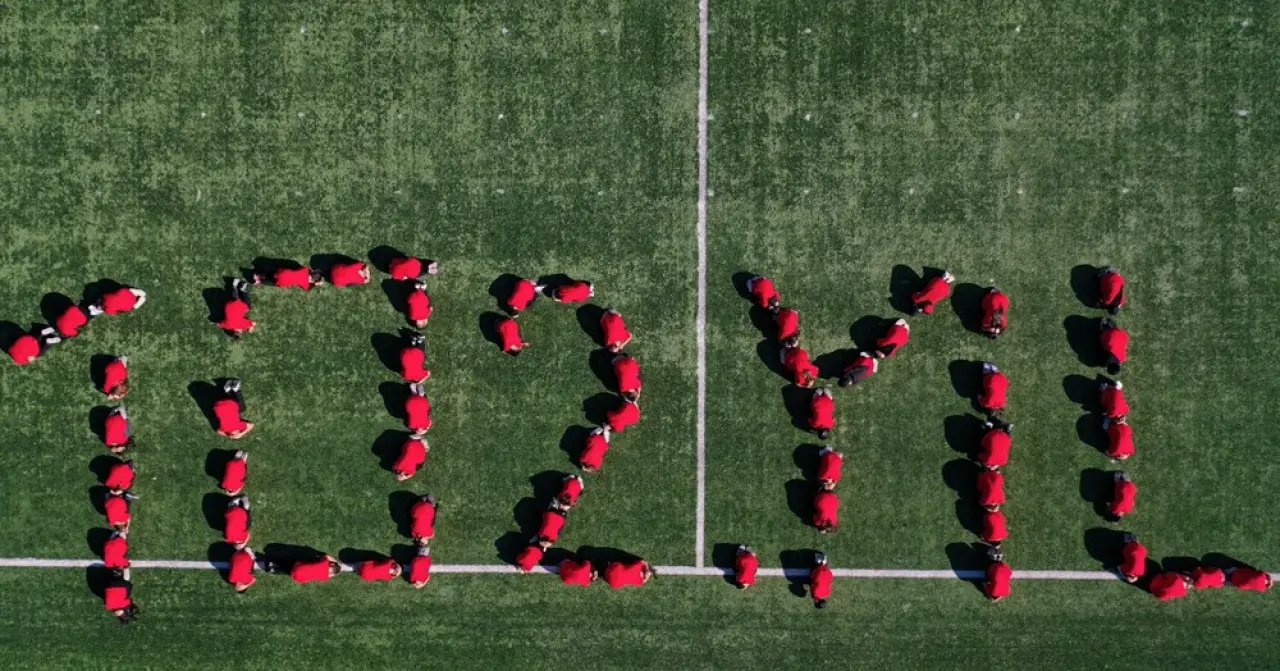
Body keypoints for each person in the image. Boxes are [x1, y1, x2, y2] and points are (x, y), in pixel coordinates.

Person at [253, 265, 323, 290]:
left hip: (281, 272)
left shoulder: (305, 270)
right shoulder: (306, 284)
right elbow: (307, 289)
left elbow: (306, 267)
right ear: (312, 281)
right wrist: (315, 284)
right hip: (281, 282)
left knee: (274, 274)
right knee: (273, 281)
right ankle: (259, 280)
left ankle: (259, 276)